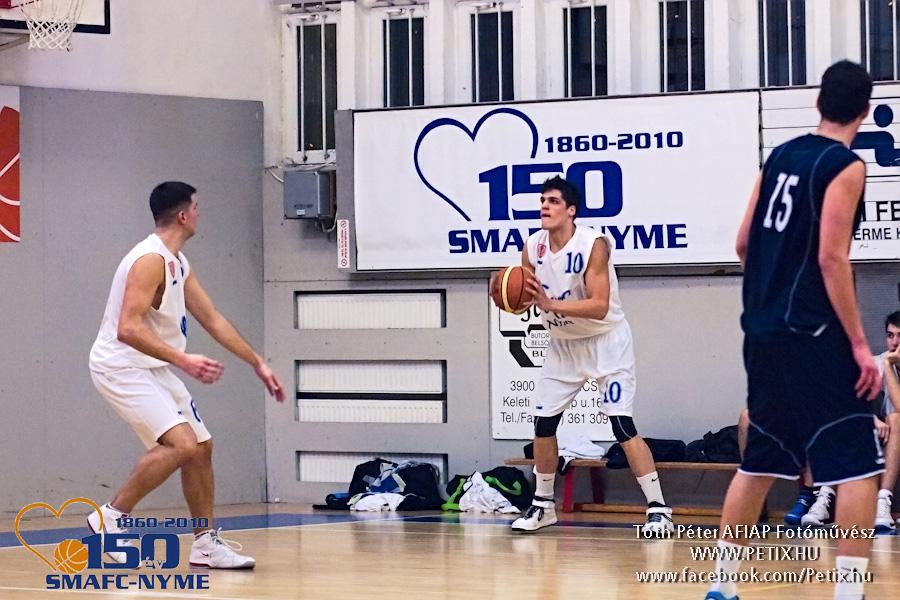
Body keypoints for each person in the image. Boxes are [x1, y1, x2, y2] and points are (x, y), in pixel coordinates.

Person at [705, 61, 884, 600]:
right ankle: (848, 594)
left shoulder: (780, 156)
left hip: (763, 332)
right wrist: (859, 344)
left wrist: (774, 289)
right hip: (814, 333)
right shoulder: (845, 166)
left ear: (819, 103)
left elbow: (743, 243)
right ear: (865, 112)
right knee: (857, 466)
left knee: (759, 460)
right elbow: (832, 258)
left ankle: (722, 587)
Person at [87, 182, 285, 569]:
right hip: (120, 366)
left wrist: (256, 361)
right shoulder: (149, 259)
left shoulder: (177, 261)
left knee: (201, 447)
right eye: (196, 207)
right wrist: (183, 360)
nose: (199, 213)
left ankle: (205, 545)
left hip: (151, 366)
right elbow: (127, 328)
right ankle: (109, 519)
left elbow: (212, 318)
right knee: (182, 445)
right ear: (182, 215)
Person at [505, 175, 673, 534]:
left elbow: (599, 306)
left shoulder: (593, 244)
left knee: (622, 426)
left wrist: (551, 303)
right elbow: (527, 295)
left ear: (571, 210)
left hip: (605, 343)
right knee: (543, 425)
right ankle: (543, 505)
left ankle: (659, 508)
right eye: (542, 201)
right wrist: (512, 298)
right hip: (563, 346)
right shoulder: (532, 246)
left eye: (553, 201)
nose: (544, 207)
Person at [781, 311, 900, 530]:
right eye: (890, 335)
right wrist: (869, 418)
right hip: (883, 435)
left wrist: (888, 366)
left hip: (896, 430)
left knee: (896, 419)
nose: (894, 342)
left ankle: (882, 502)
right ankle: (825, 498)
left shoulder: (885, 362)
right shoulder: (877, 361)